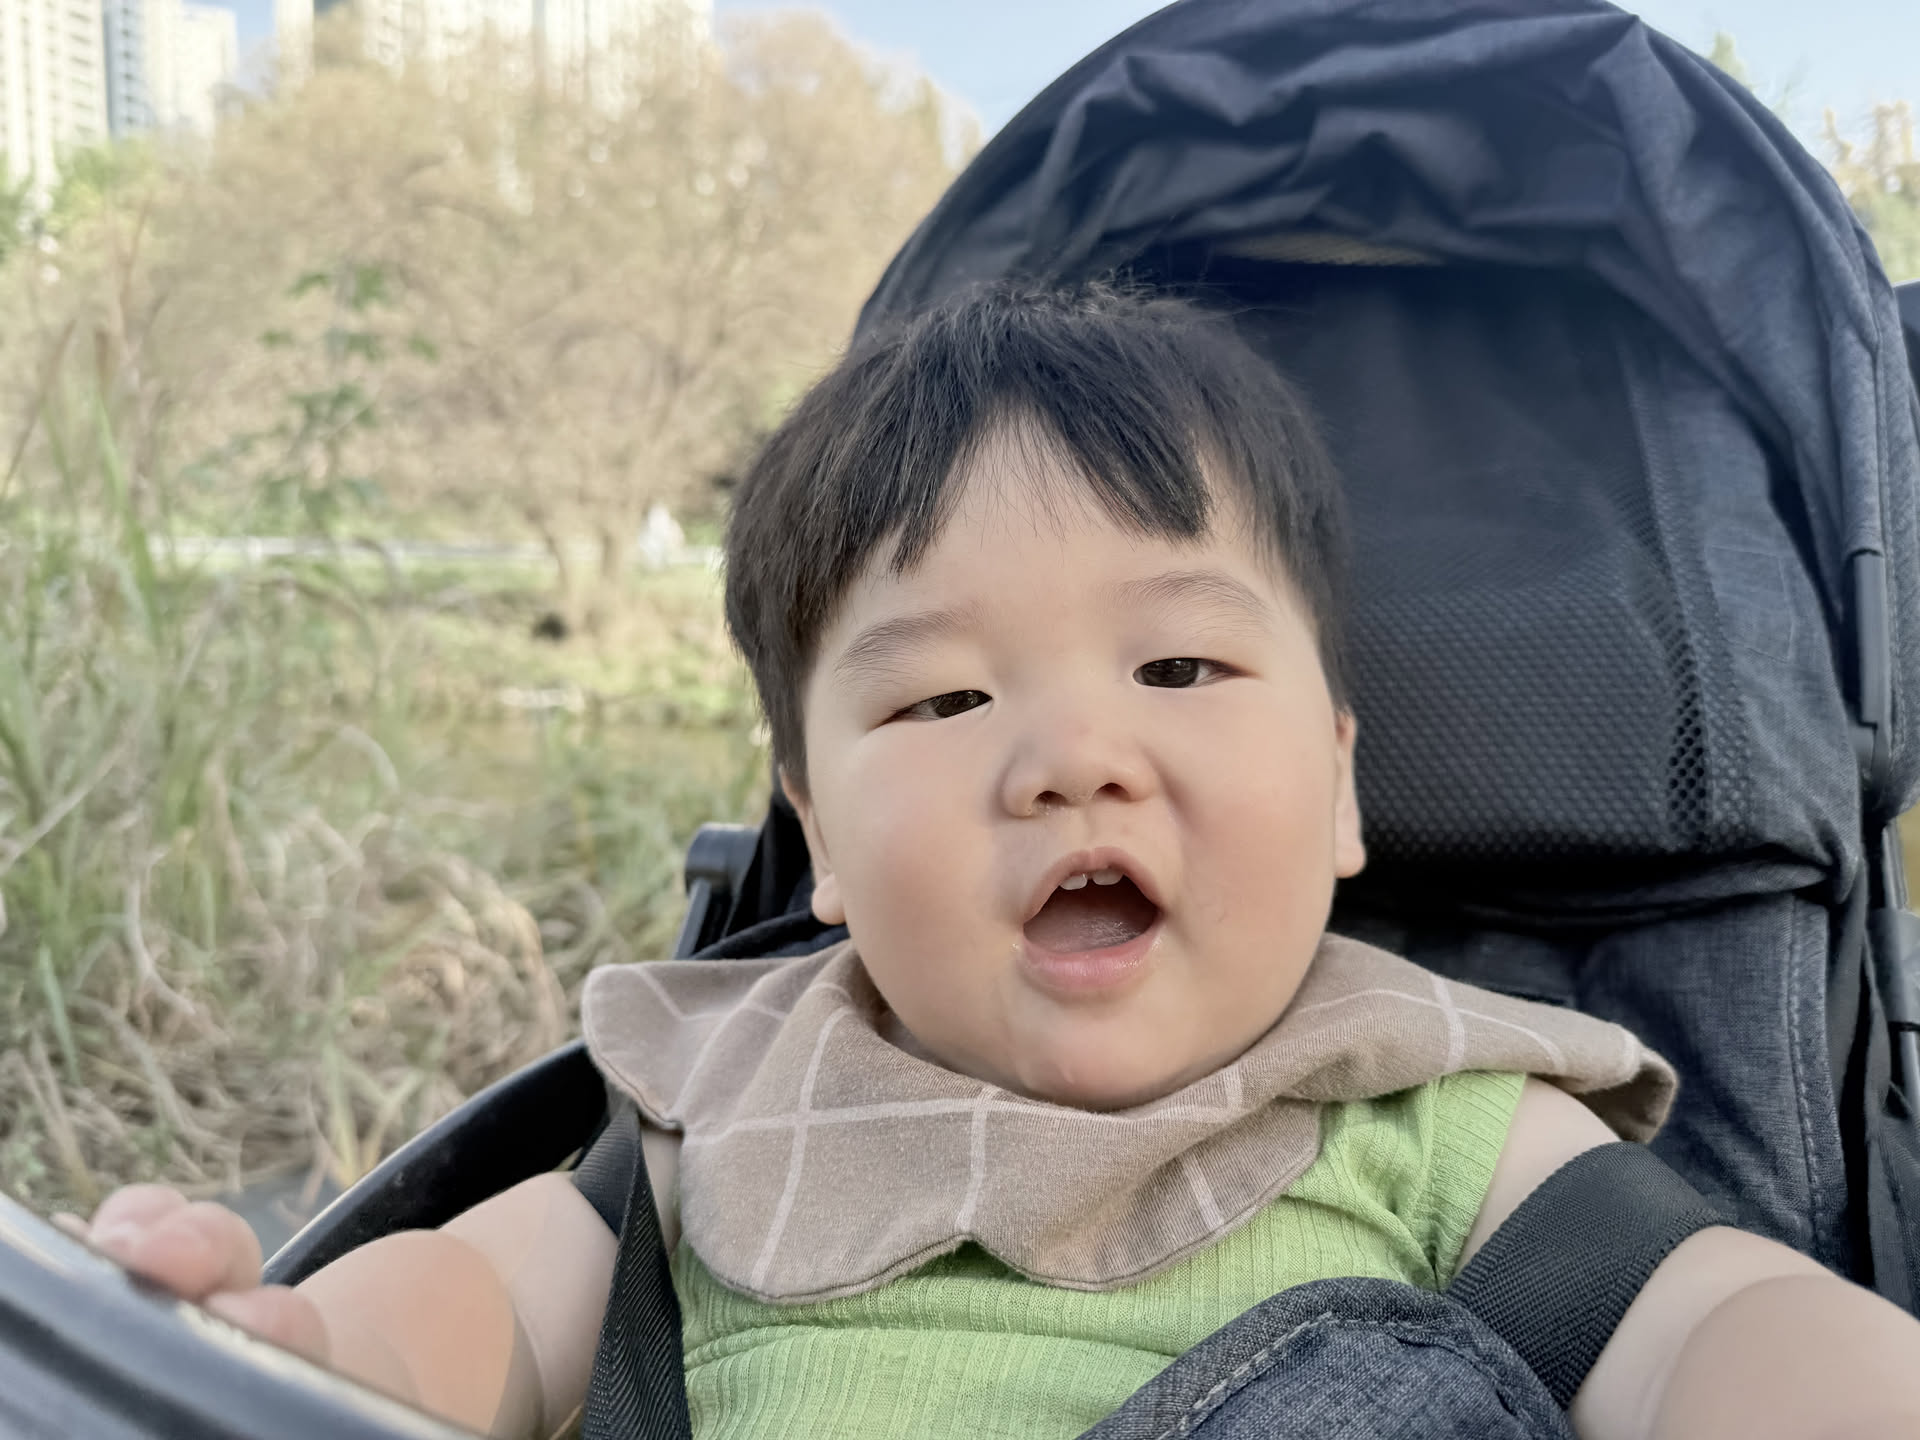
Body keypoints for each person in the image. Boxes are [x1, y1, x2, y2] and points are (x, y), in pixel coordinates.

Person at [69, 284, 1920, 1440]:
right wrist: (290, 1351)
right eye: (944, 700)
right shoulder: (728, 1114)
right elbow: (478, 1307)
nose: (1071, 759)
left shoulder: (1423, 1109)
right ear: (818, 840)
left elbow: (1712, 1327)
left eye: (1179, 669)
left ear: (1345, 789)